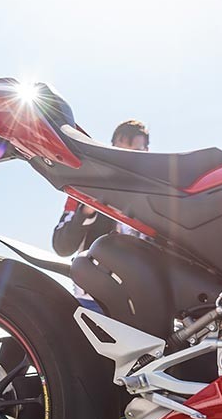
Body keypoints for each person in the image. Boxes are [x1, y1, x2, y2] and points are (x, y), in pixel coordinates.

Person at [52, 120, 149, 310]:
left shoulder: (157, 195)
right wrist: (88, 209)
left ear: (146, 152)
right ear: (111, 149)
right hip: (93, 298)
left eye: (135, 151)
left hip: (142, 299)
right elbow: (61, 246)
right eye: (121, 151)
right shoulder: (84, 190)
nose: (127, 158)